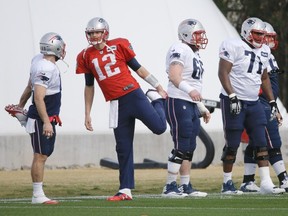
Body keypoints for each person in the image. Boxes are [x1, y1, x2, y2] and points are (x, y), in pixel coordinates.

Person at [75, 17, 167, 201]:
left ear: (105, 32)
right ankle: (125, 189)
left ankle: (156, 101)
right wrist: (87, 113)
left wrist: (158, 88)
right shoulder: (85, 55)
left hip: (134, 95)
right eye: (91, 32)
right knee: (123, 148)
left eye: (97, 32)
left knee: (159, 128)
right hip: (116, 103)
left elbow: (139, 69)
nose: (94, 35)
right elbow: (89, 86)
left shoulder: (119, 45)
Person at [218, 17, 285, 195]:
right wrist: (232, 96)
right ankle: (227, 183)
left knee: (261, 143)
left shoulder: (264, 50)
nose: (260, 38)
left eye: (262, 34)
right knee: (232, 144)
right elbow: (223, 72)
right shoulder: (233, 45)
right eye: (257, 33)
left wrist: (272, 102)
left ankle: (266, 183)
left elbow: (264, 78)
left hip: (254, 101)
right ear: (246, 32)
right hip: (234, 99)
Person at [5, 32, 66, 204]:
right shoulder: (46, 67)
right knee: (40, 155)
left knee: (45, 153)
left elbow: (29, 85)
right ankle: (37, 195)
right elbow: (38, 97)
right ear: (57, 48)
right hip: (42, 117)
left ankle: (23, 115)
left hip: (45, 116)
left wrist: (20, 105)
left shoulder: (38, 60)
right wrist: (46, 121)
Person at [161, 18, 211, 198]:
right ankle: (169, 186)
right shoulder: (180, 48)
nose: (200, 38)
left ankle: (185, 185)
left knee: (190, 146)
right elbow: (175, 76)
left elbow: (194, 83)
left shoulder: (194, 53)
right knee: (181, 145)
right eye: (197, 35)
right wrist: (190, 92)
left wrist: (201, 106)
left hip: (190, 103)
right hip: (178, 100)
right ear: (186, 34)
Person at [240, 22, 288, 193]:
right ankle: (284, 179)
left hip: (266, 103)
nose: (270, 40)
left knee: (256, 143)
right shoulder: (255, 54)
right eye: (267, 36)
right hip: (259, 102)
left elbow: (271, 85)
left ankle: (247, 181)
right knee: (272, 140)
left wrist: (274, 105)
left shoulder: (267, 55)